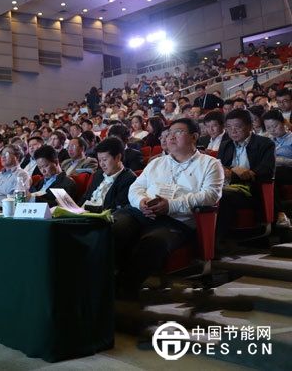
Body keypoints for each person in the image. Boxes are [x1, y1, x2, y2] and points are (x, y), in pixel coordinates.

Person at [111, 118, 224, 298]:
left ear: (194, 137)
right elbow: (135, 188)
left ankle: (123, 290)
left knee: (153, 243)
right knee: (112, 228)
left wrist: (171, 206)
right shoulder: (157, 162)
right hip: (141, 213)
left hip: (177, 220)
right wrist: (141, 201)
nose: (171, 137)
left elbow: (210, 196)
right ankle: (102, 280)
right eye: (169, 133)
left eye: (178, 132)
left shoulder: (210, 164)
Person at [216, 109, 276, 237]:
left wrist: (234, 173)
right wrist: (234, 169)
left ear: (250, 126)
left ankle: (219, 240)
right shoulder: (225, 145)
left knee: (221, 196)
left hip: (251, 191)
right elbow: (219, 167)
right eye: (229, 127)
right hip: (227, 186)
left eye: (237, 127)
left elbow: (266, 170)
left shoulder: (265, 143)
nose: (233, 131)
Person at [79, 137, 136, 211]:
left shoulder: (129, 179)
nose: (102, 164)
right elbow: (85, 198)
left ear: (118, 157)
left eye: (104, 160)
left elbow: (116, 208)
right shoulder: (98, 174)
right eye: (99, 160)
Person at [263, 109, 292, 228]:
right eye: (268, 127)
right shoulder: (267, 140)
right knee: (265, 174)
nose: (272, 130)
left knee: (271, 173)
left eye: (275, 126)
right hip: (275, 171)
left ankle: (280, 213)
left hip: (289, 170)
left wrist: (280, 160)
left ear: (284, 122)